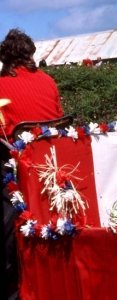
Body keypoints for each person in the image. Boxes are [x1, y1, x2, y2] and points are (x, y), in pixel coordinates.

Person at [0, 28, 64, 300]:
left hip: (17, 167)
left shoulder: (1, 85)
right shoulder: (48, 81)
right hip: (54, 164)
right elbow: (59, 119)